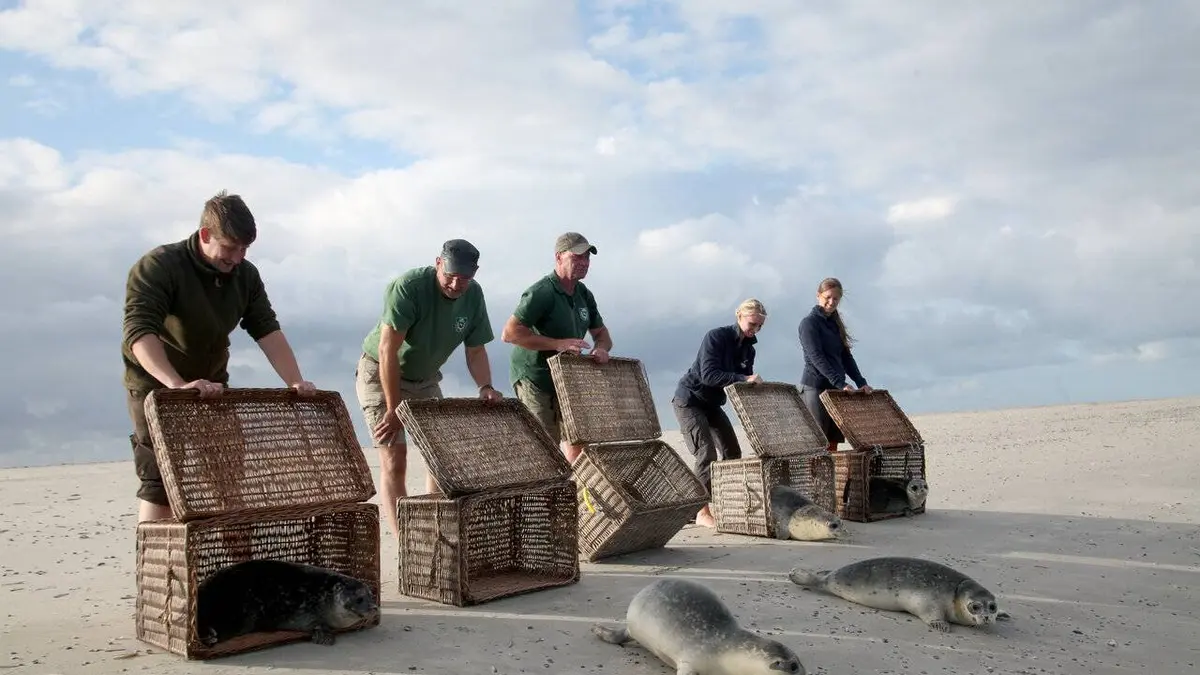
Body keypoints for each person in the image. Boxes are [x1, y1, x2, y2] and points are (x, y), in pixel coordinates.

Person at [121, 190, 317, 524]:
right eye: (230, 247)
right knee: (160, 484)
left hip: (212, 386)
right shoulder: (159, 266)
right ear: (205, 235)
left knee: (227, 476)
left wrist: (295, 381)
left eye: (245, 249)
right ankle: (154, 556)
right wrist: (176, 385)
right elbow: (138, 332)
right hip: (155, 385)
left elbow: (267, 329)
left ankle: (225, 552)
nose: (237, 258)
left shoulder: (246, 275)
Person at [355, 238, 502, 538]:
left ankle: (434, 534)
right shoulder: (409, 287)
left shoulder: (474, 295)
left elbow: (475, 350)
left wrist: (485, 386)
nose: (456, 284)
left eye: (464, 278)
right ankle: (404, 542)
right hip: (381, 373)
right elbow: (387, 350)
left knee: (439, 459)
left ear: (475, 273)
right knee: (395, 459)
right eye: (450, 275)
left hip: (426, 378)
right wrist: (394, 410)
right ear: (438, 263)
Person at [501, 232, 612, 464]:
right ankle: (543, 485)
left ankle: (573, 484)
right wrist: (557, 344)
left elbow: (602, 335)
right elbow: (509, 334)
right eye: (577, 256)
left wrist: (601, 349)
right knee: (545, 444)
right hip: (534, 376)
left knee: (578, 437)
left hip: (566, 378)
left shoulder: (584, 294)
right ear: (559, 257)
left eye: (587, 257)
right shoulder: (542, 291)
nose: (584, 262)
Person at [671, 298, 767, 528]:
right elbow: (709, 375)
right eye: (752, 324)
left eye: (759, 326)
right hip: (690, 400)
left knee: (732, 452)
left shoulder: (749, 350)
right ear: (739, 316)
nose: (755, 329)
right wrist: (744, 378)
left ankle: (727, 504)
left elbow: (741, 385)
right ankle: (700, 511)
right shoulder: (716, 337)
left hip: (713, 404)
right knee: (706, 453)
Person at [798, 277, 873, 452]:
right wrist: (840, 383)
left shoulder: (835, 324)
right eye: (828, 297)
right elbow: (816, 357)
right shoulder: (809, 323)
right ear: (818, 295)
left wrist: (861, 382)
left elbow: (846, 357)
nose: (831, 302)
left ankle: (832, 471)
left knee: (833, 440)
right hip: (815, 388)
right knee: (819, 443)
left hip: (835, 388)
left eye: (836, 299)